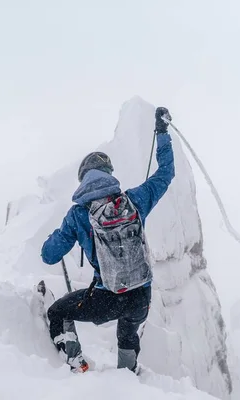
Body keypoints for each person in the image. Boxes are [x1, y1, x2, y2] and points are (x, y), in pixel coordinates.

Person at [40, 107, 175, 373]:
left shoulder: (78, 215)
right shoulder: (135, 200)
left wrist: (54, 239)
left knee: (59, 312)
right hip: (141, 297)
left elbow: (49, 255)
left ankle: (77, 364)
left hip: (106, 299)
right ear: (108, 174)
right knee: (128, 332)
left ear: (84, 180)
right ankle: (128, 377)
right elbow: (166, 172)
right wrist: (162, 132)